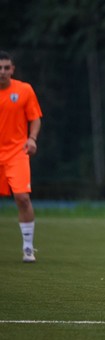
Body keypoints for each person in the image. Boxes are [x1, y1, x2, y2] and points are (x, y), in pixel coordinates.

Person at [0, 51, 42, 263]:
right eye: (0, 68)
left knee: (22, 197)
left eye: (6, 67)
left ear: (12, 69)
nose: (2, 72)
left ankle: (27, 247)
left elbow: (35, 118)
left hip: (17, 152)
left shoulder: (24, 90)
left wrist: (32, 138)